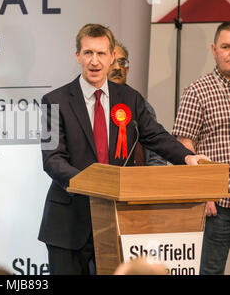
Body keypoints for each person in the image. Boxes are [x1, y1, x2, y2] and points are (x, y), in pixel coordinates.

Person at [38, 23, 209, 275]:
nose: (94, 61)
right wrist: (91, 183)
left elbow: (156, 136)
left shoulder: (130, 99)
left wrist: (187, 157)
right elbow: (52, 160)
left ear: (112, 57)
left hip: (116, 221)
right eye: (88, 53)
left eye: (101, 53)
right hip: (68, 222)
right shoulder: (53, 101)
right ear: (77, 56)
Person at [172, 21, 230, 275]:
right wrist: (202, 192)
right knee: (211, 271)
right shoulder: (197, 91)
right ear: (214, 49)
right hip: (218, 203)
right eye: (226, 46)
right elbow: (184, 145)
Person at [107, 41, 166, 166]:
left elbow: (157, 151)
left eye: (122, 62)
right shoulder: (93, 102)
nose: (117, 67)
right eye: (112, 62)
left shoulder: (140, 104)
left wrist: (152, 180)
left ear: (127, 68)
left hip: (137, 179)